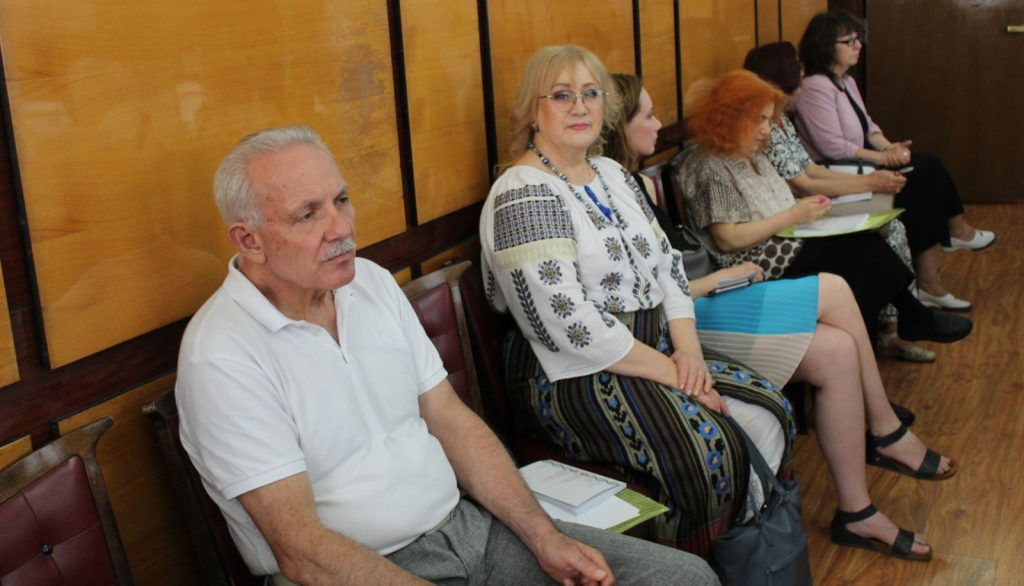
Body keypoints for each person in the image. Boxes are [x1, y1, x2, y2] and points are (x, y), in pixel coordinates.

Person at [176, 126, 719, 586]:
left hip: (465, 528)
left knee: (686, 578)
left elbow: (450, 419)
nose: (341, 229)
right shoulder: (221, 356)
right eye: (307, 215)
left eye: (341, 201)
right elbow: (301, 550)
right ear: (249, 241)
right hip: (357, 572)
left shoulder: (370, 283)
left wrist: (543, 537)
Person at [605, 72, 957, 561]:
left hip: (702, 295)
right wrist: (719, 278)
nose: (661, 124)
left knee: (838, 344)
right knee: (837, 283)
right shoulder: (620, 191)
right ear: (616, 126)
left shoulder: (632, 184)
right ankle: (885, 428)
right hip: (696, 305)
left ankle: (857, 509)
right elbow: (653, 288)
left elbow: (664, 274)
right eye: (647, 115)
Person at [480, 44, 797, 555]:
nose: (580, 107)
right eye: (561, 95)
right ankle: (697, 569)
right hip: (572, 372)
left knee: (770, 408)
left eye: (591, 94)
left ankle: (753, 556)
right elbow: (570, 325)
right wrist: (677, 374)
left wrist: (689, 353)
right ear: (531, 111)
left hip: (654, 347)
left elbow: (669, 268)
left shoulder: (612, 173)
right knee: (709, 445)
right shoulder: (522, 192)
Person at [678, 69, 972, 347]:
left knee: (863, 243)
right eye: (759, 120)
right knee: (858, 253)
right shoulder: (711, 167)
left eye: (768, 120)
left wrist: (802, 210)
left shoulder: (750, 154)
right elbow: (728, 239)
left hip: (785, 242)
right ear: (731, 117)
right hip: (756, 262)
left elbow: (772, 204)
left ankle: (900, 323)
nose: (767, 130)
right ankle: (908, 319)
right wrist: (793, 214)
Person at [744, 41, 941, 361]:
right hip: (802, 212)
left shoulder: (782, 122)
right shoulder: (767, 130)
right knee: (880, 236)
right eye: (797, 66)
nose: (803, 72)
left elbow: (812, 168)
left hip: (808, 206)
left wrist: (868, 183)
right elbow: (804, 183)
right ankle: (896, 326)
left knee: (893, 224)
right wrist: (868, 183)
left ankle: (895, 327)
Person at [795, 11, 995, 311]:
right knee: (921, 179)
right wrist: (882, 157)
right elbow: (833, 147)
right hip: (837, 174)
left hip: (860, 164)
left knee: (924, 169)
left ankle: (942, 260)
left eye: (858, 38)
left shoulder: (846, 81)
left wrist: (891, 148)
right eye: (849, 41)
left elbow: (869, 127)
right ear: (825, 45)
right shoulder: (815, 86)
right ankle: (945, 253)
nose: (858, 45)